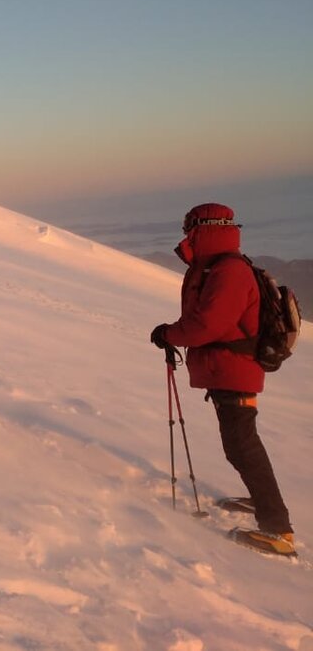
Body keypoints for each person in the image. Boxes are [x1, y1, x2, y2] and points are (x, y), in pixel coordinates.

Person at [149, 203, 295, 556]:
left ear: (203, 229)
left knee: (242, 444)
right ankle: (260, 501)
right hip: (228, 367)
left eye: (190, 228)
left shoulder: (229, 271)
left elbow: (207, 325)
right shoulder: (218, 266)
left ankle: (278, 530)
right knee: (239, 443)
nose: (185, 234)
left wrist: (169, 333)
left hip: (235, 367)